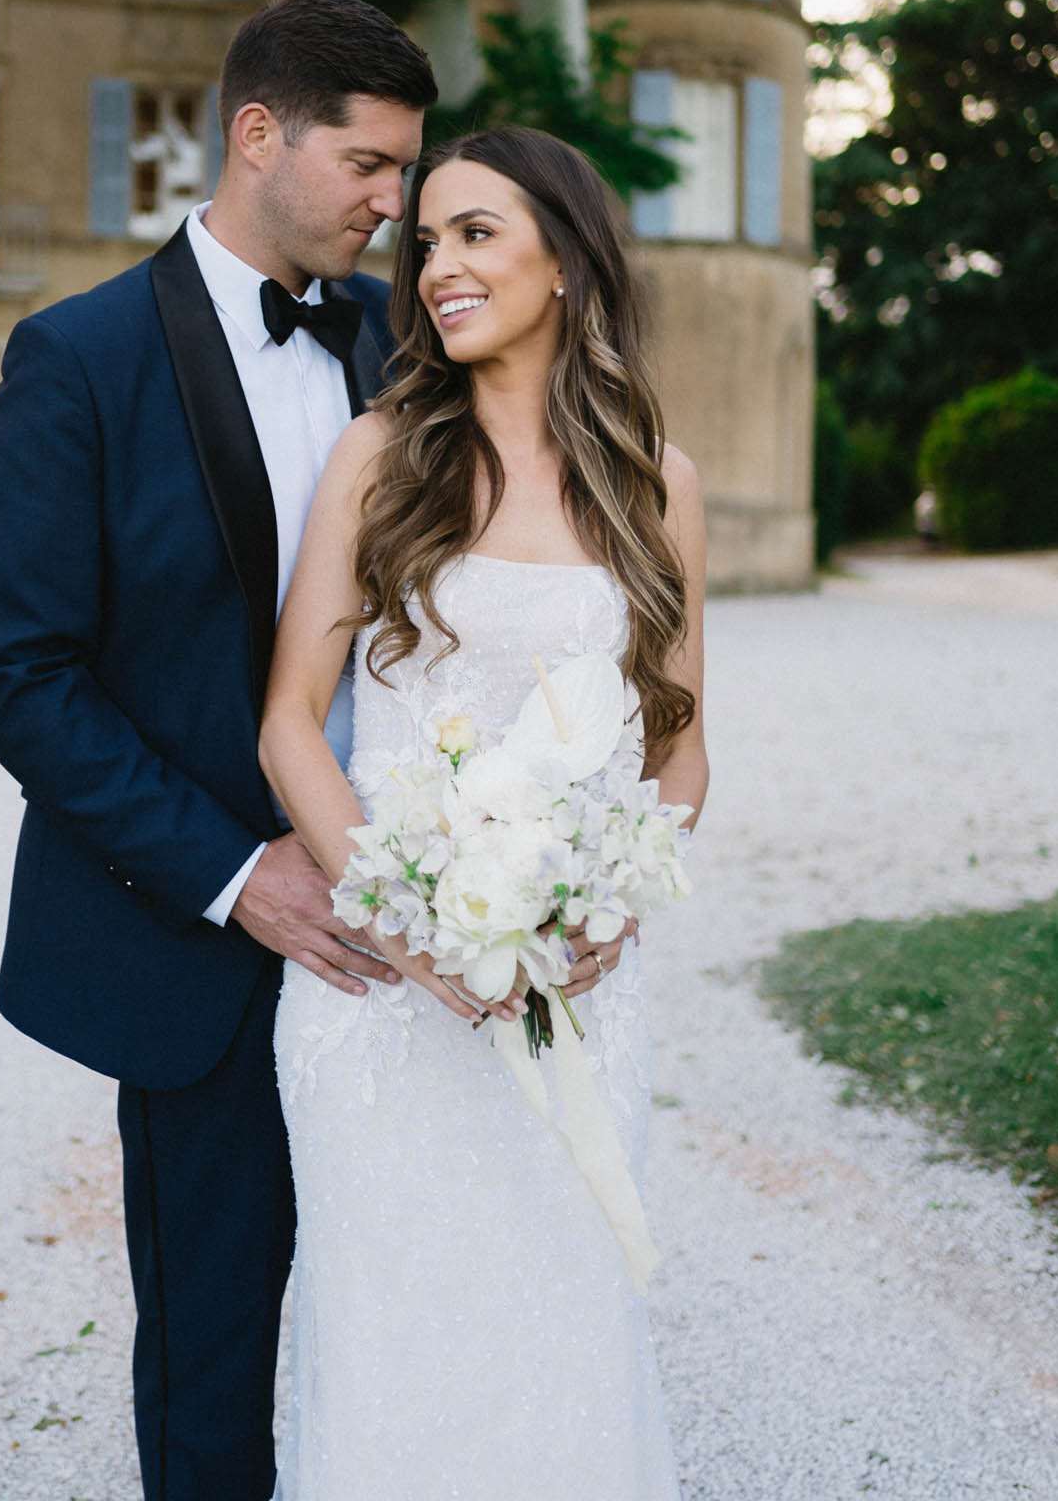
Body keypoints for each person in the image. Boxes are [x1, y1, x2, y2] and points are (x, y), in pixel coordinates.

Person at [0, 0, 437, 1501]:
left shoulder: (413, 349)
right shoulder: (78, 356)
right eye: (368, 163)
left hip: (419, 918)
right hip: (203, 941)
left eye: (406, 169)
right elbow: (16, 670)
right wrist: (237, 875)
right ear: (257, 135)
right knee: (214, 1348)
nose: (395, 204)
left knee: (414, 1318)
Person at [260, 124, 709, 1499]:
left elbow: (680, 749)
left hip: (576, 992)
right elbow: (290, 724)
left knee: (562, 1342)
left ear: (563, 260)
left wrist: (610, 905)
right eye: (424, 243)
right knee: (390, 1353)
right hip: (385, 1008)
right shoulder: (380, 456)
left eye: (474, 234)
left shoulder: (656, 480)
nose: (436, 267)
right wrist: (410, 929)